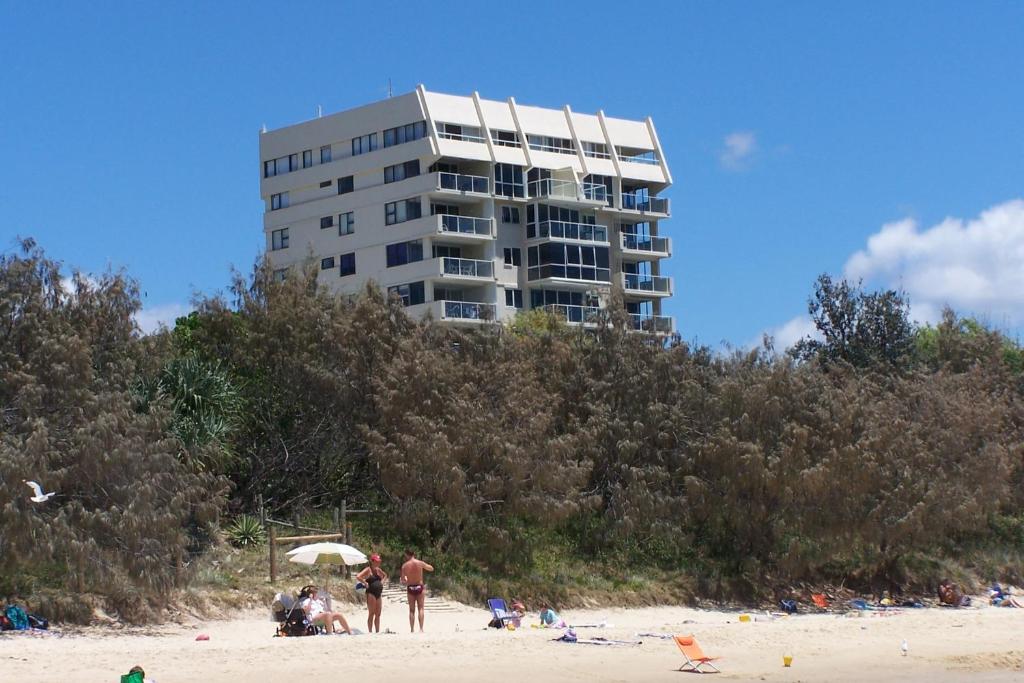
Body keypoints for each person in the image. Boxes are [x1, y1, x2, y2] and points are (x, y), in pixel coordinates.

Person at [400, 549, 434, 633]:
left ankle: (412, 629)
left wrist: (406, 581)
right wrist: (424, 567)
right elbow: (431, 569)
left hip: (410, 587)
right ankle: (421, 629)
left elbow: (403, 580)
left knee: (411, 610)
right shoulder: (420, 563)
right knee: (421, 608)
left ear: (407, 555)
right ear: (413, 554)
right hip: (419, 586)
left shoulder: (404, 566)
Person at [355, 553, 389, 632]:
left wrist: (382, 583)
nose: (378, 563)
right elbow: (358, 576)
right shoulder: (368, 569)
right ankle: (370, 631)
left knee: (378, 614)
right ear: (372, 561)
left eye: (379, 561)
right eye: (377, 561)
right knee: (371, 613)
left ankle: (377, 631)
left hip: (378, 593)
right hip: (371, 593)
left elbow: (385, 575)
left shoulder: (378, 570)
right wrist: (365, 582)